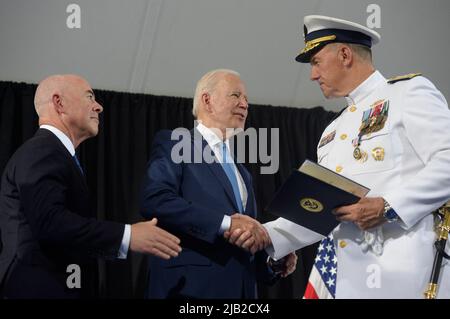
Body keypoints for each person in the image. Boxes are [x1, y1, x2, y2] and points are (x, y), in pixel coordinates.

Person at [265, 15, 450, 298]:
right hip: (346, 278)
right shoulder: (332, 131)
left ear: (345, 54)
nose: (313, 75)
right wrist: (265, 236)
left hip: (405, 275)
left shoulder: (408, 92)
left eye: (315, 62)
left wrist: (388, 206)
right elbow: (322, 210)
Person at [0, 74, 182, 299]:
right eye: (89, 97)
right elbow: (50, 222)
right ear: (59, 103)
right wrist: (128, 235)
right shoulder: (42, 151)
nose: (99, 107)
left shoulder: (57, 154)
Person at [139, 69, 297, 298]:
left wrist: (272, 258)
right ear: (207, 100)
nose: (244, 104)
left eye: (246, 100)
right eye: (236, 95)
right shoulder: (176, 142)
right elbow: (155, 200)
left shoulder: (242, 172)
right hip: (188, 291)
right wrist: (225, 224)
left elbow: (243, 241)